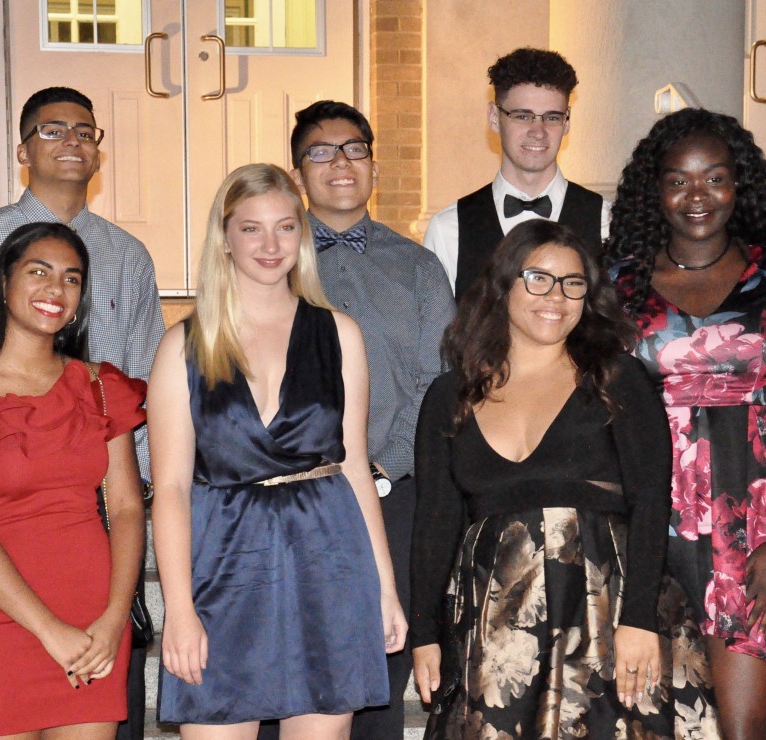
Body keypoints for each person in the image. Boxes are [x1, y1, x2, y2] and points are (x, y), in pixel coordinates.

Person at [0, 86, 163, 738]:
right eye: (38, 273)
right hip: (2, 604)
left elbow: (134, 473)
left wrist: (112, 613)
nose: (56, 289)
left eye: (72, 278)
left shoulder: (126, 262)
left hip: (94, 586)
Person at [410, 219, 716, 737]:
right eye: (538, 278)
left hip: (606, 613)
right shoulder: (449, 396)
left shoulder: (618, 379)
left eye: (573, 283)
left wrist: (639, 619)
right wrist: (424, 632)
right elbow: (435, 523)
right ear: (503, 285)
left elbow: (649, 504)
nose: (556, 296)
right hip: (493, 627)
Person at [149, 163, 408, 738]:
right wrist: (179, 610)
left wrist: (384, 589)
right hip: (223, 563)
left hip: (329, 559)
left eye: (285, 227)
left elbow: (356, 469)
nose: (270, 245)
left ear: (302, 234)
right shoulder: (182, 347)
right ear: (224, 237)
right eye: (251, 229)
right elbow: (168, 489)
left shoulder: (340, 333)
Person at [608, 108, 766, 739]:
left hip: (752, 529)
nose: (696, 196)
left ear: (741, 185)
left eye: (714, 178)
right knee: (645, 724)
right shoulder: (617, 282)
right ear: (655, 191)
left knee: (742, 730)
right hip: (644, 521)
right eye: (678, 180)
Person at [280, 100, 456, 740]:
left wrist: (382, 467)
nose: (340, 163)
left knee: (383, 658)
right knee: (292, 658)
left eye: (354, 148)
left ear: (375, 165)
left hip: (396, 492)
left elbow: (439, 381)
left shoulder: (417, 267)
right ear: (298, 170)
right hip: (291, 495)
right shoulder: (268, 257)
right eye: (321, 152)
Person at [422, 47, 610, 300]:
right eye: (523, 116)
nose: (538, 131)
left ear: (567, 122)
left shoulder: (607, 221)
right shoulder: (447, 228)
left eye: (551, 118)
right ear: (494, 117)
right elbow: (440, 335)